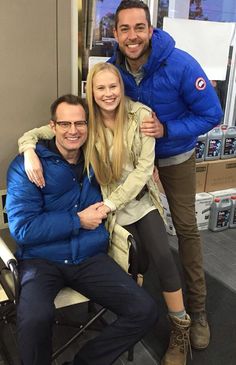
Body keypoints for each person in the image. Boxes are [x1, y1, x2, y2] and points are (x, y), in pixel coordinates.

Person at [18, 63, 192, 365]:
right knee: (130, 261)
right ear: (92, 92)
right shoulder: (86, 120)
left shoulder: (140, 115)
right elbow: (40, 131)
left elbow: (142, 172)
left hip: (133, 200)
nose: (108, 93)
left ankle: (180, 327)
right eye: (101, 88)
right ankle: (127, 312)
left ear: (121, 88)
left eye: (113, 87)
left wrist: (110, 205)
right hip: (106, 206)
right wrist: (27, 148)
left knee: (162, 257)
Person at [6, 94, 159, 365]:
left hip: (90, 257)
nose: (73, 131)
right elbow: (23, 229)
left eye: (80, 123)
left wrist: (153, 163)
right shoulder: (26, 166)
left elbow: (133, 168)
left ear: (89, 126)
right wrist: (77, 220)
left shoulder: (98, 159)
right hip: (42, 261)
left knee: (144, 310)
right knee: (33, 319)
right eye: (65, 124)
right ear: (52, 127)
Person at [110, 0, 223, 353]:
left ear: (151, 30)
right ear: (115, 34)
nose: (132, 36)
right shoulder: (115, 68)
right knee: (126, 224)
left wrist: (167, 129)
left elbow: (212, 114)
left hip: (175, 156)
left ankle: (198, 312)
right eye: (125, 29)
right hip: (133, 162)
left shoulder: (181, 64)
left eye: (139, 28)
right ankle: (131, 297)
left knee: (186, 230)